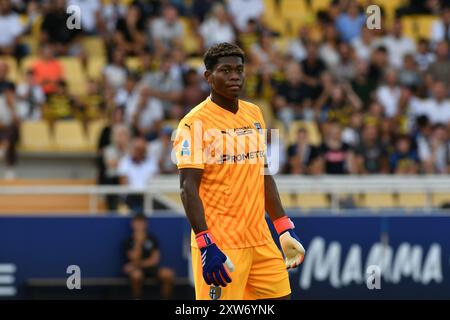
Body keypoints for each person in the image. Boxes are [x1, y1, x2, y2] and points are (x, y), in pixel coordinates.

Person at [173, 43, 305, 300]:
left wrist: (283, 227)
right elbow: (187, 189)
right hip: (222, 244)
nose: (235, 76)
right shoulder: (193, 123)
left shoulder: (254, 113)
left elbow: (263, 173)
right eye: (225, 70)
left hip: (260, 239)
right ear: (208, 76)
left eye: (239, 70)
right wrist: (205, 243)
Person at [123, 213, 175, 299]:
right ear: (132, 224)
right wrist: (138, 243)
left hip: (149, 268)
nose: (139, 225)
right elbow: (133, 258)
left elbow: (155, 260)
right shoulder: (128, 241)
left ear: (146, 224)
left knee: (168, 274)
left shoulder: (152, 239)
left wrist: (135, 265)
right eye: (137, 222)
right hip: (136, 270)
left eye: (142, 222)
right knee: (137, 275)